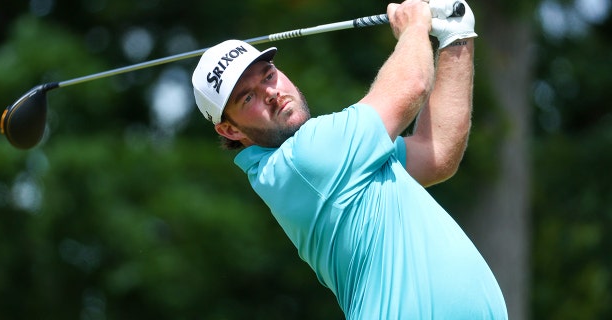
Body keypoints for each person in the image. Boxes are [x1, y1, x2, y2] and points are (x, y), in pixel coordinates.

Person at [191, 0, 507, 318]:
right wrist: (414, 25)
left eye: (268, 75)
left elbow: (434, 154)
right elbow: (413, 84)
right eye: (248, 97)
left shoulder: (344, 158)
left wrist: (456, 37)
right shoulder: (303, 160)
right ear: (230, 130)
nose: (270, 92)